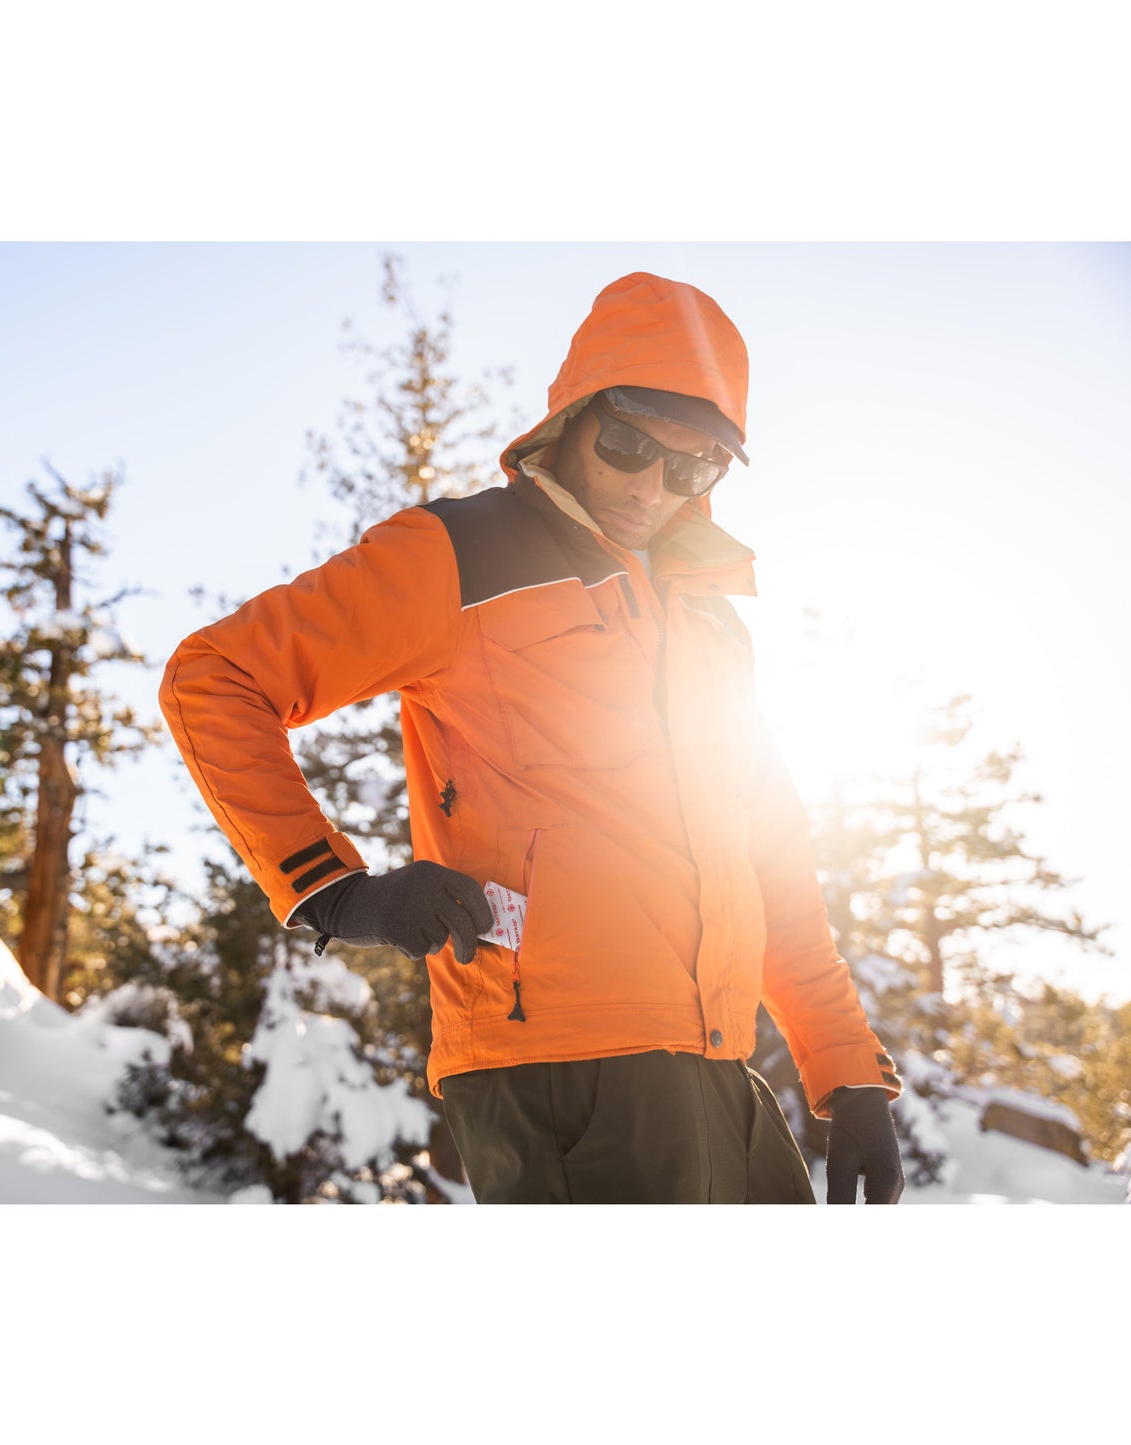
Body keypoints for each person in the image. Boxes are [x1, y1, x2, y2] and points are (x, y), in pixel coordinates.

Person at [161, 270, 905, 1205]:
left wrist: (847, 1070)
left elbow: (771, 857)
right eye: (628, 442)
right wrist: (331, 887)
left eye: (691, 466)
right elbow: (214, 677)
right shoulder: (460, 553)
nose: (650, 484)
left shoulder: (712, 622)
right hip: (560, 1068)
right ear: (574, 414)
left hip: (718, 1063)